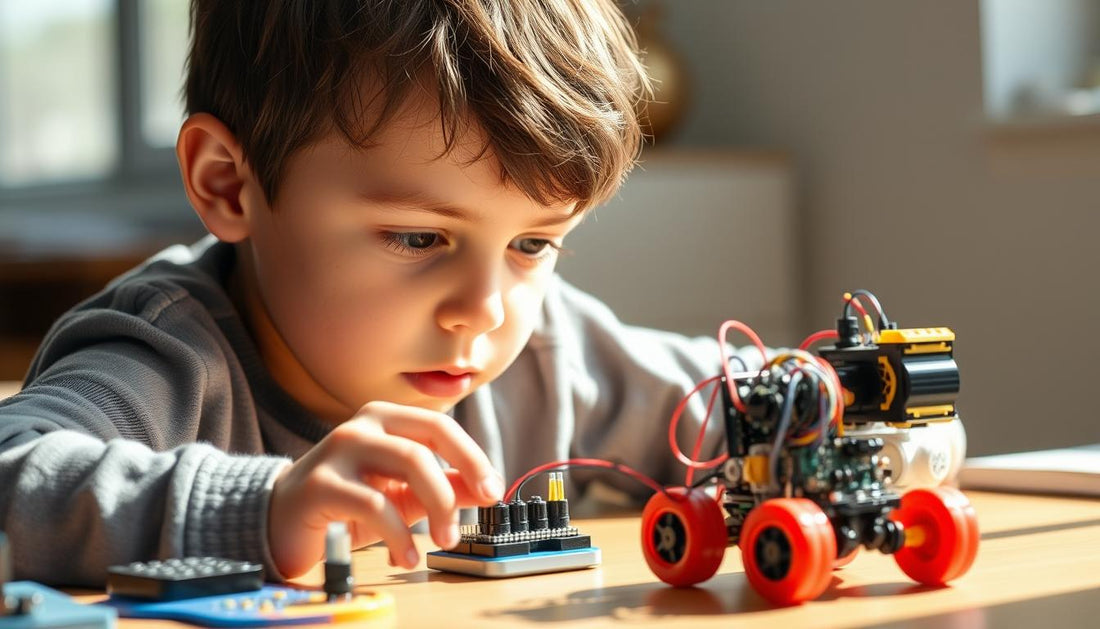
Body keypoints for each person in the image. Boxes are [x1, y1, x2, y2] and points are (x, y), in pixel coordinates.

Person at [0, 0, 761, 586]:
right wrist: (262, 507)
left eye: (532, 243)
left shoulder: (547, 352)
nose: (485, 310)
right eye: (419, 238)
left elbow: (752, 403)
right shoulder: (167, 355)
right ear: (228, 184)